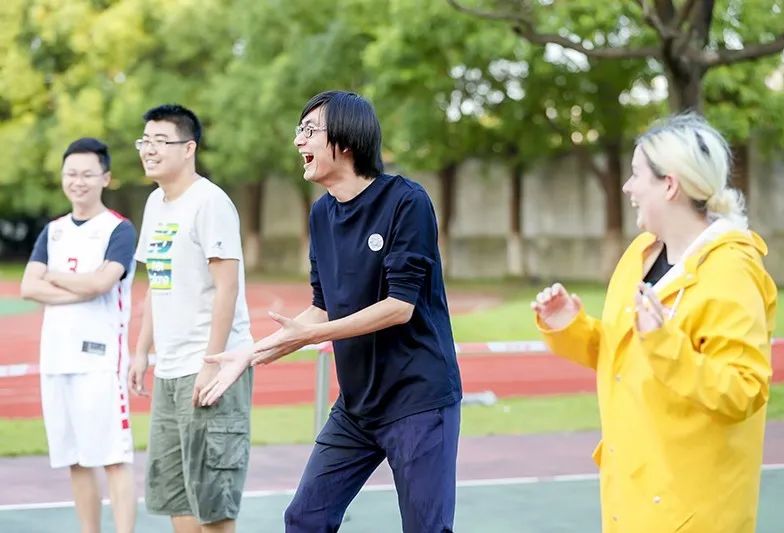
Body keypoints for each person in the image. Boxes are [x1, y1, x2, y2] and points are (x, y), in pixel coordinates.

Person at [199, 90, 462, 532]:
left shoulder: (406, 201)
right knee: (305, 518)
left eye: (309, 130)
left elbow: (399, 307)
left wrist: (311, 336)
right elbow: (320, 311)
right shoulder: (321, 214)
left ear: (347, 138)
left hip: (418, 400)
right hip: (357, 407)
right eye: (298, 129)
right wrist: (251, 353)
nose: (298, 141)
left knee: (426, 528)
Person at [532, 113, 776, 532]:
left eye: (636, 174)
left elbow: (743, 389)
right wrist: (570, 326)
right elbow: (625, 353)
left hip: (693, 510)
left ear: (669, 184)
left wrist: (664, 343)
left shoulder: (732, 270)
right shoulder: (641, 255)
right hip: (632, 496)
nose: (627, 187)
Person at [128, 104, 253, 533]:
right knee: (176, 495)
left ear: (189, 148)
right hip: (170, 370)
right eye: (145, 141)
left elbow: (227, 287)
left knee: (213, 500)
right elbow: (156, 283)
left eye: (161, 141)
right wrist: (141, 351)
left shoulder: (210, 202)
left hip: (210, 367)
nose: (149, 149)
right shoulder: (155, 204)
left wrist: (211, 362)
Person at [20, 138, 137, 533]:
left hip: (99, 360)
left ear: (105, 177)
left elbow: (101, 284)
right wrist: (80, 286)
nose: (78, 181)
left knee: (113, 457)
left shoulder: (118, 229)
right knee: (75, 459)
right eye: (71, 173)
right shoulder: (52, 231)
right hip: (57, 358)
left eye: (88, 174)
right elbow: (28, 287)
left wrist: (53, 276)